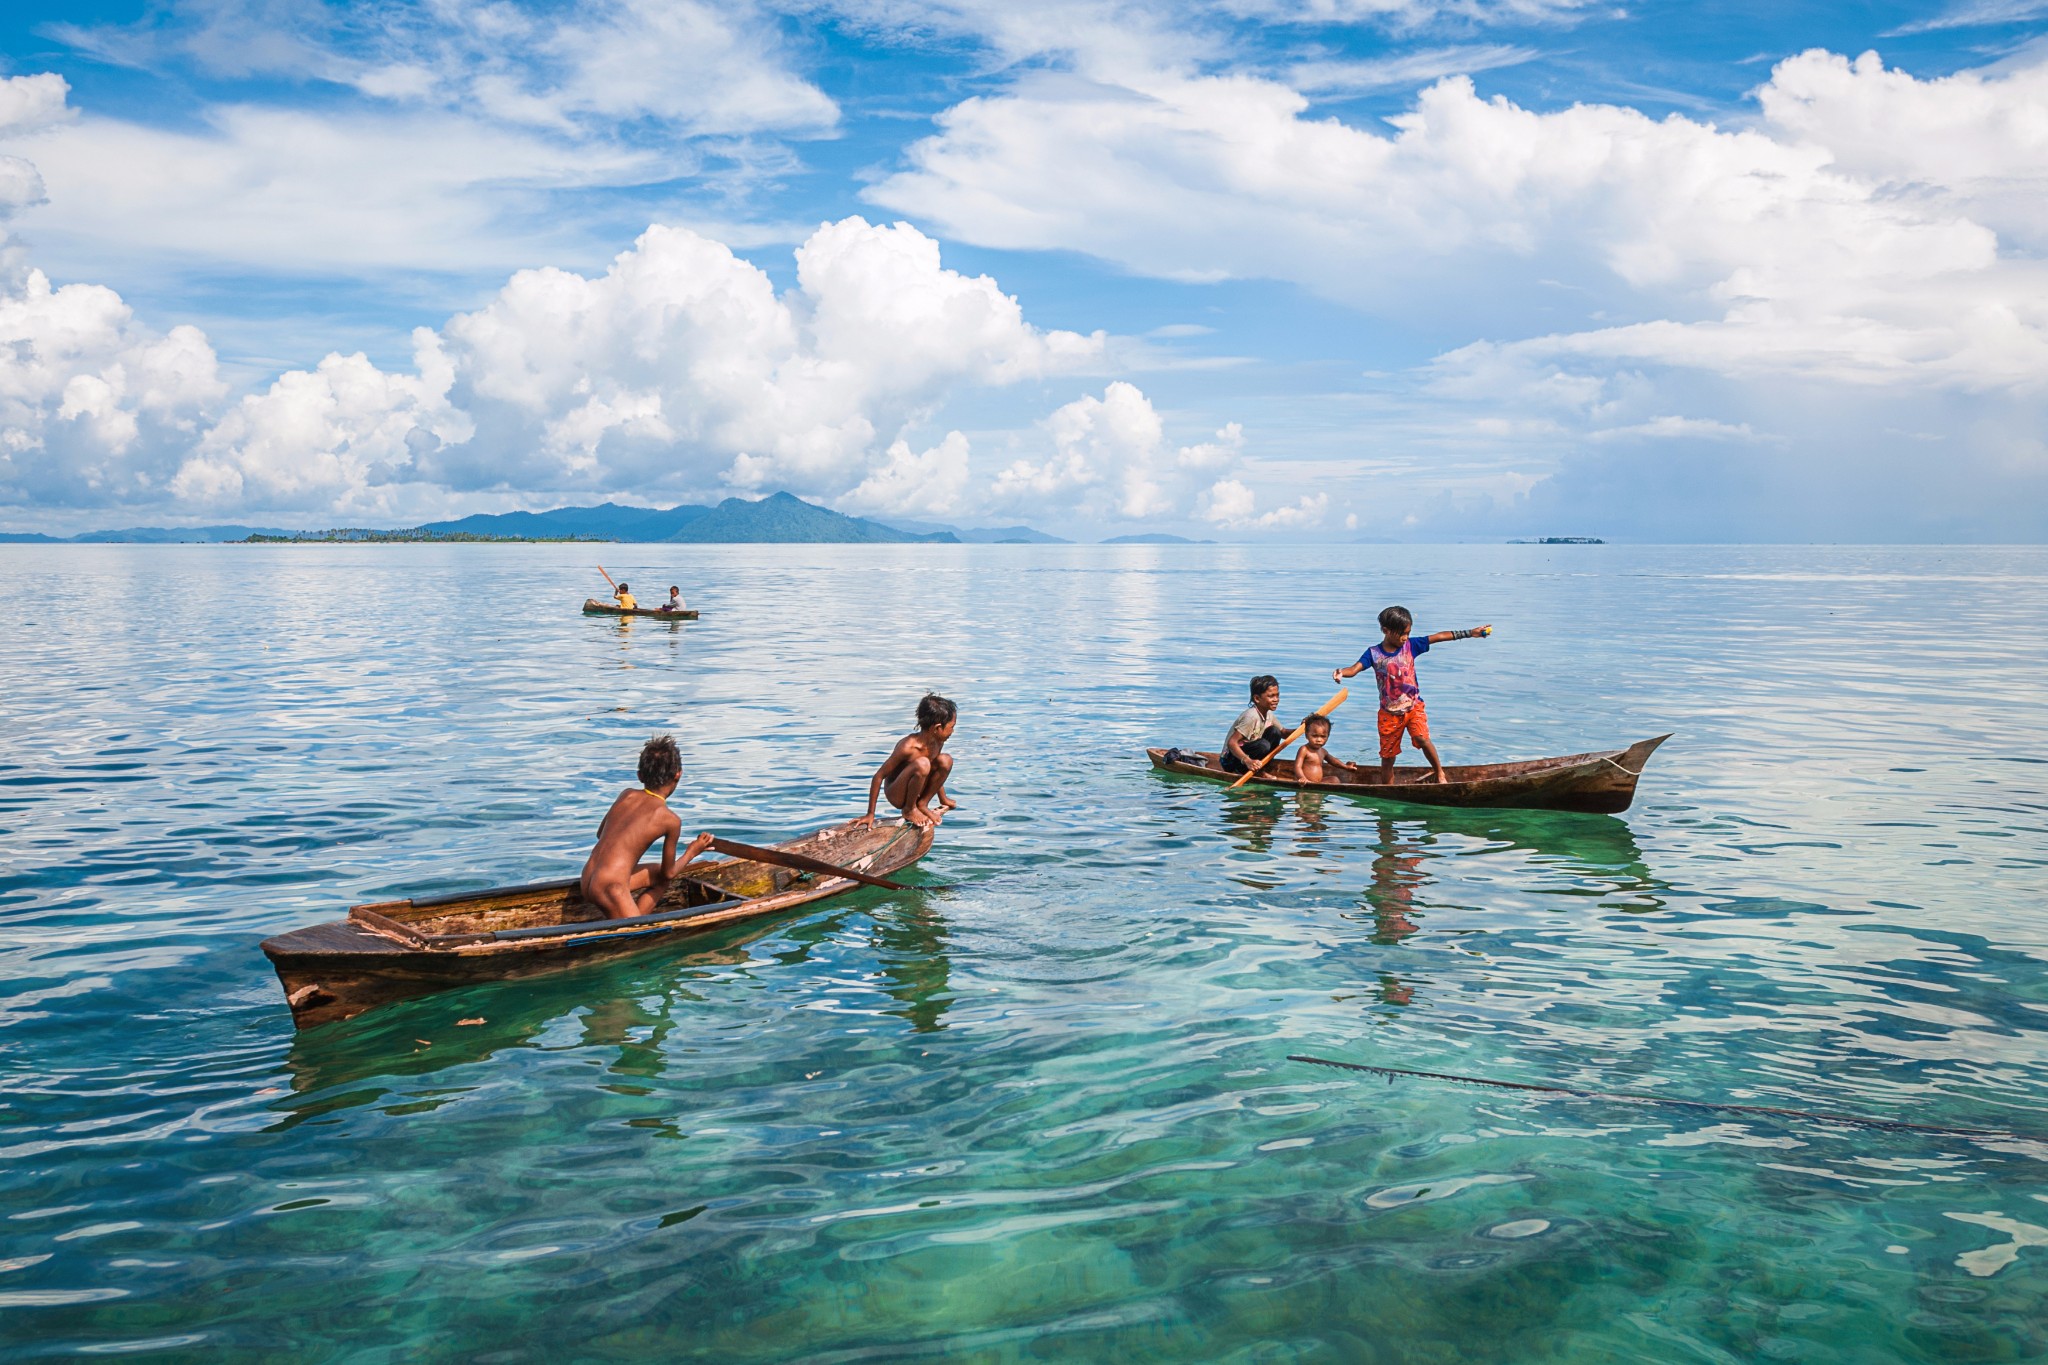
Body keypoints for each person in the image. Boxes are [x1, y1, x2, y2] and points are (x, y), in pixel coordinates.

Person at [1332, 606, 1491, 784]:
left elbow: (1439, 637)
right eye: (1402, 634)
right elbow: (1354, 669)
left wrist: (1470, 633)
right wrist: (1341, 672)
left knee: (1422, 738)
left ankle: (1440, 773)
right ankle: (1388, 789)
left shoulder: (1411, 646)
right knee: (1388, 758)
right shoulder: (1373, 654)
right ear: (1386, 631)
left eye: (1408, 633)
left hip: (1414, 706)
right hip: (1389, 714)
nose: (1405, 637)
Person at [580, 735, 714, 919]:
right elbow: (670, 872)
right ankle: (634, 920)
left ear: (640, 775)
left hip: (587, 877)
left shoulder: (626, 795)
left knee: (658, 877)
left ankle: (633, 914)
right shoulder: (670, 820)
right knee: (635, 933)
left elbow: (599, 834)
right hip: (610, 888)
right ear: (678, 774)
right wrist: (693, 851)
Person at [858, 694, 958, 830]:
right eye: (951, 727)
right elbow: (878, 776)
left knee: (946, 760)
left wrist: (943, 798)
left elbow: (935, 771)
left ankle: (922, 804)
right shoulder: (908, 746)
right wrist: (870, 814)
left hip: (916, 788)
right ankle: (909, 809)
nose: (953, 731)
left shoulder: (938, 742)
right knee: (923, 764)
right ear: (937, 728)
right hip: (897, 793)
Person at [1220, 674, 1286, 775]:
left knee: (1275, 732)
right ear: (1257, 698)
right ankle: (1246, 770)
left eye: (1277, 695)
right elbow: (1232, 743)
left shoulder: (1268, 714)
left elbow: (1284, 733)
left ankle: (1260, 767)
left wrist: (1304, 726)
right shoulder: (1251, 717)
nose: (1276, 699)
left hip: (1248, 755)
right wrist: (1247, 761)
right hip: (1230, 761)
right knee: (1263, 745)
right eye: (1271, 696)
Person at [1293, 713, 1363, 784]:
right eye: (1314, 736)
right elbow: (1297, 766)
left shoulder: (1323, 751)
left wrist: (1346, 767)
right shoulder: (1304, 749)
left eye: (1323, 736)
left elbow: (1333, 761)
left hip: (1318, 783)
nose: (1319, 740)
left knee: (1334, 779)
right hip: (1305, 783)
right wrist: (1302, 778)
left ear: (1328, 736)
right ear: (1306, 735)